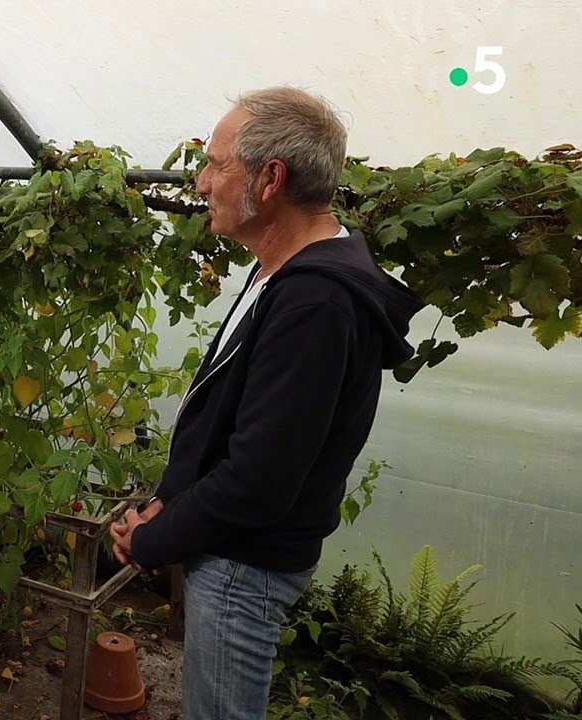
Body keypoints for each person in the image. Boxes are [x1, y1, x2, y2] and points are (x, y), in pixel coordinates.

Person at [109, 87, 423, 718]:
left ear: (270, 178)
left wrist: (152, 539)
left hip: (241, 568)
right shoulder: (280, 269)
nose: (201, 183)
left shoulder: (315, 303)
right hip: (230, 550)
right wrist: (171, 498)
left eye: (217, 165)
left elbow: (259, 480)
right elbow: (234, 418)